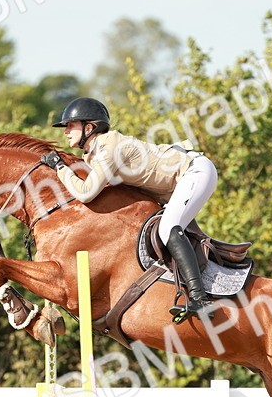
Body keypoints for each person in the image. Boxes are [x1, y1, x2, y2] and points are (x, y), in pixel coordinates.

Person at [39, 97, 218, 323]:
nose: (66, 131)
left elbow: (85, 192)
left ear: (89, 127)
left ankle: (200, 299)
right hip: (181, 180)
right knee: (165, 229)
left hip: (194, 171)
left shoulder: (108, 147)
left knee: (168, 229)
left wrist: (60, 168)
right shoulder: (95, 153)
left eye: (70, 125)